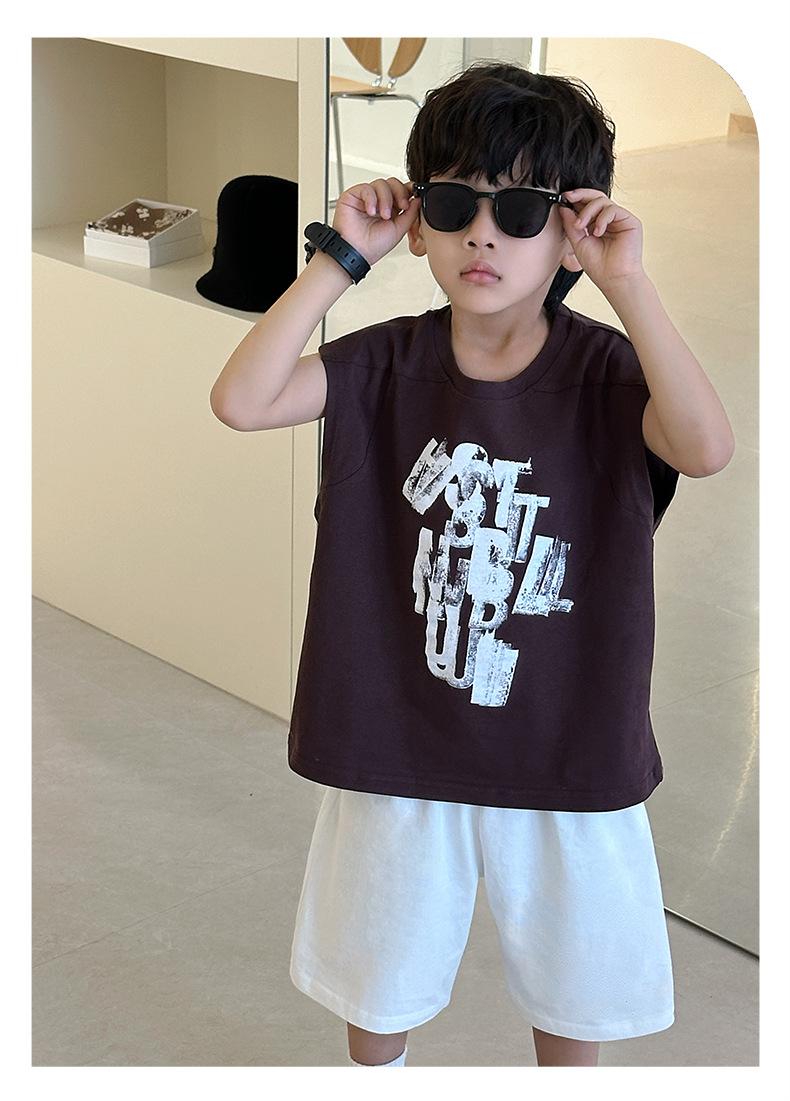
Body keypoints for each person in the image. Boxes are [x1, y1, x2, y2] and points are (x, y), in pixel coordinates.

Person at [210, 60, 735, 1068]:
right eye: (453, 205)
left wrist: (626, 283)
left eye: (523, 209)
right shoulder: (382, 363)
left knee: (578, 988)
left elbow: (706, 449)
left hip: (568, 735)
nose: (482, 234)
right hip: (398, 733)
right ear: (419, 224)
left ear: (572, 228)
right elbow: (242, 400)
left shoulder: (609, 375)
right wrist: (339, 259)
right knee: (379, 973)